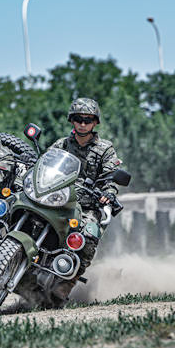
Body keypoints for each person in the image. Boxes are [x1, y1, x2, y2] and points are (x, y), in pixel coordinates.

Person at [49, 97, 123, 300]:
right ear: (72, 120)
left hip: (89, 207)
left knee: (89, 236)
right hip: (57, 202)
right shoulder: (60, 145)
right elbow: (43, 166)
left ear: (95, 122)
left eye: (88, 120)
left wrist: (109, 193)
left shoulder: (105, 149)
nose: (83, 124)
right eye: (79, 119)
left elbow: (112, 176)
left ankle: (66, 284)